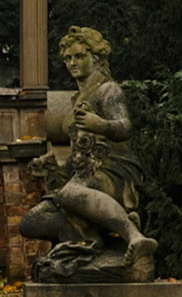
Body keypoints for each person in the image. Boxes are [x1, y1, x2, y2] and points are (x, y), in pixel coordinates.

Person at [21, 26, 157, 281]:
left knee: (70, 193)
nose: (72, 63)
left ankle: (134, 237)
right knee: (31, 222)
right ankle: (90, 240)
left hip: (111, 169)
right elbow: (78, 152)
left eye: (79, 56)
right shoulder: (77, 98)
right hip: (84, 173)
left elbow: (125, 127)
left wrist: (101, 125)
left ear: (96, 58)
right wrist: (54, 167)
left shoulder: (108, 90)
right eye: (68, 58)